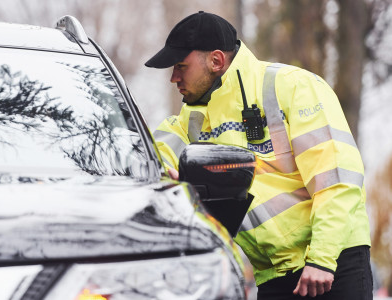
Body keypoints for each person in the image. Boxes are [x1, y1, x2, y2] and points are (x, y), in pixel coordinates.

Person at [145, 11, 372, 299]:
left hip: (333, 266)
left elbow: (337, 179)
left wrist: (322, 260)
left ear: (216, 61)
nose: (173, 77)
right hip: (273, 275)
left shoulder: (293, 86)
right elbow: (154, 151)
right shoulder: (192, 117)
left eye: (181, 66)